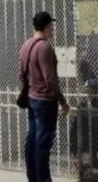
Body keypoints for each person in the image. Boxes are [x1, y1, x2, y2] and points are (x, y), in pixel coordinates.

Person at [17, 11, 71, 182]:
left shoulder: (26, 45)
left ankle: (32, 178)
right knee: (43, 144)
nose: (53, 29)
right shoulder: (45, 47)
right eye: (51, 26)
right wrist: (62, 101)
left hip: (32, 98)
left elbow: (21, 74)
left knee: (32, 140)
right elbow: (50, 79)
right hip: (46, 101)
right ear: (46, 27)